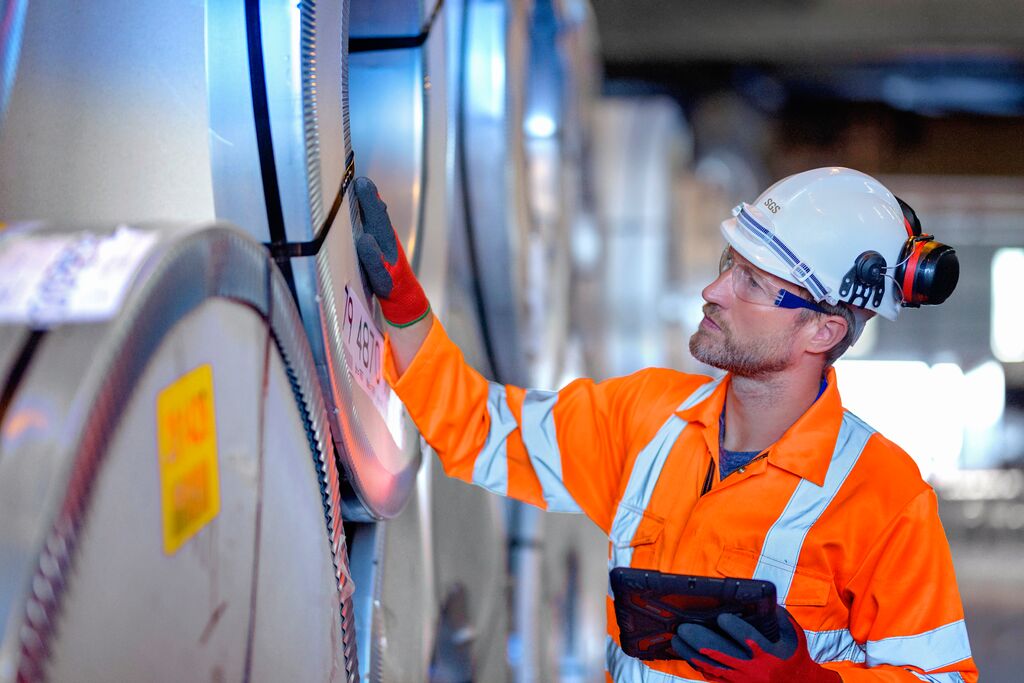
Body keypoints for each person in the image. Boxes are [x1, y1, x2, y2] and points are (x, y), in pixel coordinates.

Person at [354, 167, 976, 682]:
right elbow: (481, 432)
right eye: (729, 262)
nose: (714, 289)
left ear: (824, 330)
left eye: (752, 282)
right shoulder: (646, 417)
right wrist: (405, 310)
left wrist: (807, 681)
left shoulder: (885, 496)